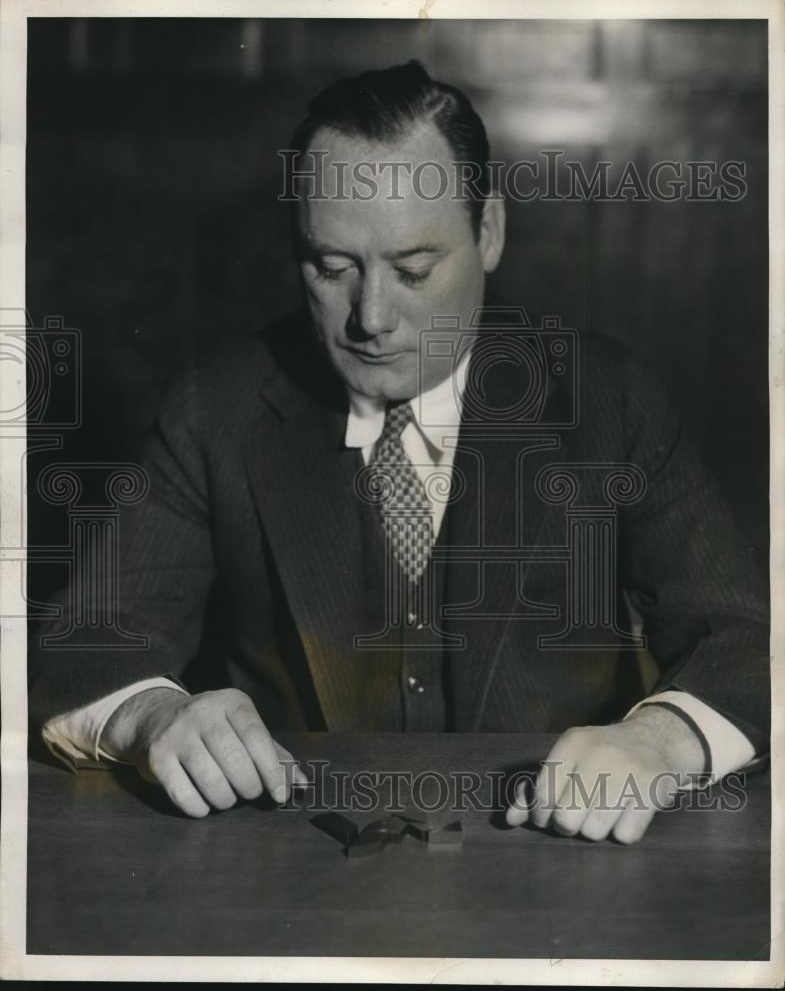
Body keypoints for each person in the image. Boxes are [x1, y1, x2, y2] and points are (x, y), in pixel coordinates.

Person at [29, 61, 770, 843]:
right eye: (331, 267)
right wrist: (154, 715)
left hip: (556, 860)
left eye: (413, 270)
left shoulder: (607, 399)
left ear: (488, 233)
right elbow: (80, 649)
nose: (371, 317)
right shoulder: (215, 409)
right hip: (290, 868)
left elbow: (746, 640)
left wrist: (658, 742)